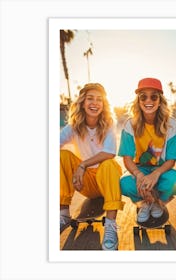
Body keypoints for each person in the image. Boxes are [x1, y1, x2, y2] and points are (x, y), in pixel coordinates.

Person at [60, 83, 124, 250]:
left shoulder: (109, 123)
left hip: (106, 183)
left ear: (104, 104)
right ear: (82, 102)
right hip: (85, 183)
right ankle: (64, 213)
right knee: (61, 156)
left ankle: (110, 225)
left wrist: (82, 165)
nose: (94, 103)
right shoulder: (74, 126)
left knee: (109, 164)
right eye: (90, 99)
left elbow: (110, 152)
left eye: (99, 99)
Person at [118, 77, 176, 223]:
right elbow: (127, 158)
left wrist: (156, 174)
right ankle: (144, 202)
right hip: (140, 169)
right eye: (143, 97)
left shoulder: (171, 124)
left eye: (154, 96)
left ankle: (158, 202)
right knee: (124, 183)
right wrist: (139, 175)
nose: (148, 101)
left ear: (160, 100)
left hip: (162, 170)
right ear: (138, 101)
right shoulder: (130, 124)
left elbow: (171, 160)